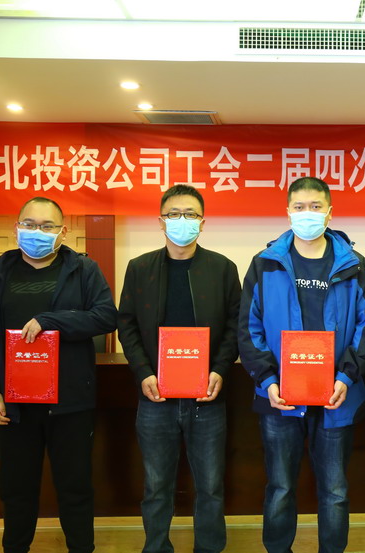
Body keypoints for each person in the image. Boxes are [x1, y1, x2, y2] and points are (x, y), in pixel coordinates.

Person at [238, 176, 365, 553]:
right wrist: (267, 380)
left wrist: (346, 377)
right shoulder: (265, 264)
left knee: (335, 491)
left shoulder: (355, 266)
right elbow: (249, 327)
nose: (308, 214)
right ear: (288, 212)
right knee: (280, 487)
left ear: (330, 212)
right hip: (280, 398)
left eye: (316, 207)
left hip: (337, 397)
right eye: (299, 207)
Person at [0, 197, 117, 553]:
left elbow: (106, 316)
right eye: (30, 224)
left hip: (70, 404)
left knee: (75, 488)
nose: (38, 232)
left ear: (62, 232)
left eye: (47, 226)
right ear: (16, 228)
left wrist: (51, 321)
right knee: (16, 490)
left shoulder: (83, 270)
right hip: (13, 405)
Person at [117, 185, 241, 553]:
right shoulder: (140, 268)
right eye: (173, 214)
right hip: (156, 396)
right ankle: (156, 547)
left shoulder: (222, 268)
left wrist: (220, 369)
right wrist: (143, 372)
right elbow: (127, 325)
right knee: (156, 486)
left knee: (211, 486)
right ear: (161, 221)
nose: (181, 221)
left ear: (202, 222)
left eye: (190, 214)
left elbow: (236, 325)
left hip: (207, 396)